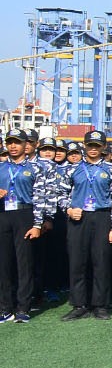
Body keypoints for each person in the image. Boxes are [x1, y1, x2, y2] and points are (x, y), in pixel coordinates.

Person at [63, 130, 112, 320]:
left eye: (97, 146)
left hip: (102, 217)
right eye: (90, 145)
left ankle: (100, 305)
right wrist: (68, 209)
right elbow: (59, 193)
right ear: (84, 145)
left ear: (104, 147)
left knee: (101, 261)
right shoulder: (72, 169)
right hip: (78, 217)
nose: (93, 149)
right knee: (77, 262)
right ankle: (79, 304)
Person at [0, 129, 47, 324]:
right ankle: (5, 308)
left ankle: (23, 308)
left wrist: (37, 224)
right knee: (3, 263)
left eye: (17, 142)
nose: (13, 146)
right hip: (3, 213)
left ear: (25, 145)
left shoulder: (36, 168)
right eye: (9, 142)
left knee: (24, 263)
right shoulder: (1, 167)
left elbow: (40, 198)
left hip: (24, 214)